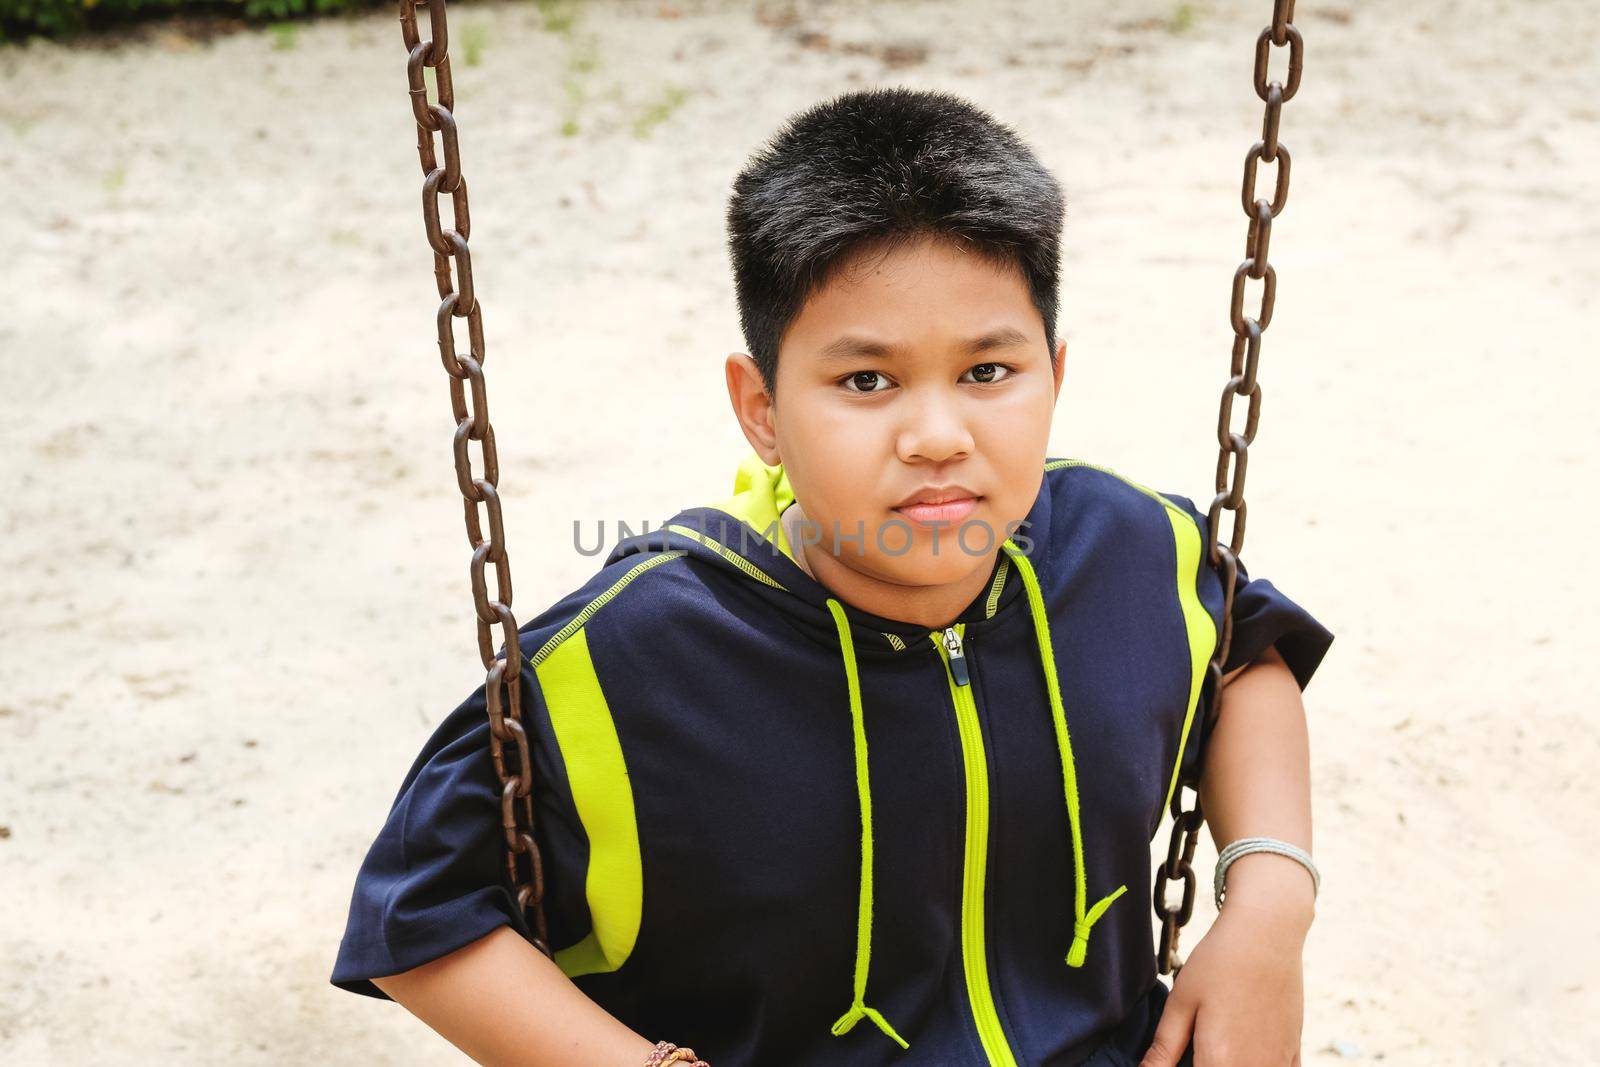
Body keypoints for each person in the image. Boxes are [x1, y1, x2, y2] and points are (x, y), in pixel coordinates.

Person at [329, 86, 1334, 1067]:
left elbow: (1244, 657)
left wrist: (1268, 904)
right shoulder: (635, 656)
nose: (938, 436)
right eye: (866, 380)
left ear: (1053, 373)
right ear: (760, 406)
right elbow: (421, 914)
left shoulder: (1129, 547)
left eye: (988, 371)